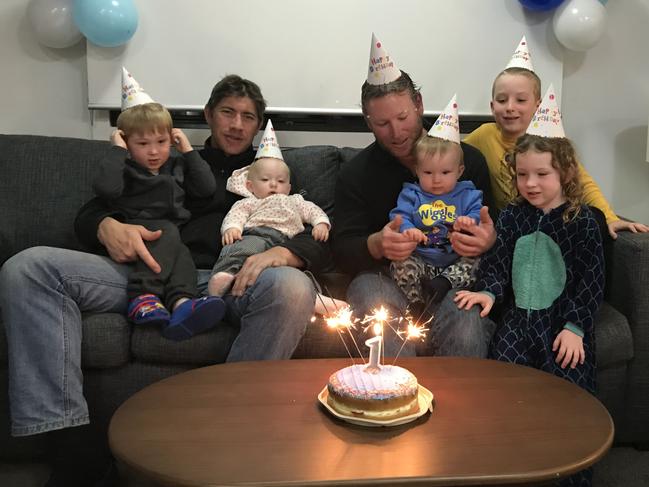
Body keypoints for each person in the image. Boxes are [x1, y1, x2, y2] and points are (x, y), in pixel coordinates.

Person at [0, 74, 328, 486]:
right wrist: (104, 225)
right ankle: (69, 447)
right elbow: (92, 209)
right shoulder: (163, 156)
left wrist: (289, 252)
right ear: (208, 115)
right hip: (147, 271)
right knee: (29, 268)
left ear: (258, 126)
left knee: (292, 287)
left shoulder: (277, 175)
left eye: (248, 117)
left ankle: (233, 432)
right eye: (227, 112)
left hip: (232, 277)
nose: (236, 124)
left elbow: (324, 230)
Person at [455, 87, 603, 487]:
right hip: (517, 325)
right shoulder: (512, 217)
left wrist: (575, 327)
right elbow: (498, 263)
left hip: (561, 327)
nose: (531, 184)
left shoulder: (583, 221)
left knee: (570, 402)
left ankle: (569, 476)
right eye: (522, 175)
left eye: (542, 175)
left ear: (565, 174)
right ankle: (509, 471)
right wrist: (488, 291)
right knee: (502, 398)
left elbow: (590, 281)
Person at [333, 34, 497, 357]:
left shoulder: (469, 161)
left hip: (455, 277)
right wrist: (377, 244)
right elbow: (340, 250)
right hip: (388, 277)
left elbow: (495, 232)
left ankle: (459, 405)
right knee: (374, 307)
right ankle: (393, 398)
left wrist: (489, 239)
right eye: (382, 123)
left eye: (403, 118)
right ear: (367, 121)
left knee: (466, 325)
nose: (396, 132)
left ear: (419, 104)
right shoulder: (356, 174)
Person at [464, 36, 649, 239]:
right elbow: (451, 154)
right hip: (510, 227)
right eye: (502, 100)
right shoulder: (484, 135)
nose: (510, 107)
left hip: (551, 226)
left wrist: (610, 217)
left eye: (521, 100)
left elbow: (583, 182)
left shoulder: (550, 142)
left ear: (538, 104)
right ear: (492, 106)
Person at [93, 70, 225, 340]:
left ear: (171, 138)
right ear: (127, 142)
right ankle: (143, 296)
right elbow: (106, 190)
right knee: (168, 232)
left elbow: (206, 188)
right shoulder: (125, 168)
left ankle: (181, 305)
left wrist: (188, 151)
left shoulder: (176, 165)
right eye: (142, 144)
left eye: (162, 142)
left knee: (184, 258)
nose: (154, 152)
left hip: (170, 235)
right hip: (139, 228)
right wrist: (117, 151)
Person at [208, 120, 342, 313]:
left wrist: (321, 223)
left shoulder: (295, 200)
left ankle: (313, 297)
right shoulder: (250, 202)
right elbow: (236, 215)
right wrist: (232, 229)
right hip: (257, 235)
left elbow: (313, 210)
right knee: (240, 249)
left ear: (288, 188)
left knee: (297, 272)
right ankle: (225, 276)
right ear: (250, 186)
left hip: (287, 242)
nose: (273, 185)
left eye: (280, 181)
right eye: (265, 180)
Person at [389, 95, 483, 313]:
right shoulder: (412, 194)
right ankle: (416, 302)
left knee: (475, 260)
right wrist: (408, 229)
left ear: (459, 171)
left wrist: (471, 221)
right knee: (399, 262)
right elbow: (398, 216)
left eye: (445, 172)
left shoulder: (468, 194)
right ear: (417, 171)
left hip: (454, 262)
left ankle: (444, 284)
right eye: (428, 172)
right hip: (421, 259)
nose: (437, 179)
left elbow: (477, 214)